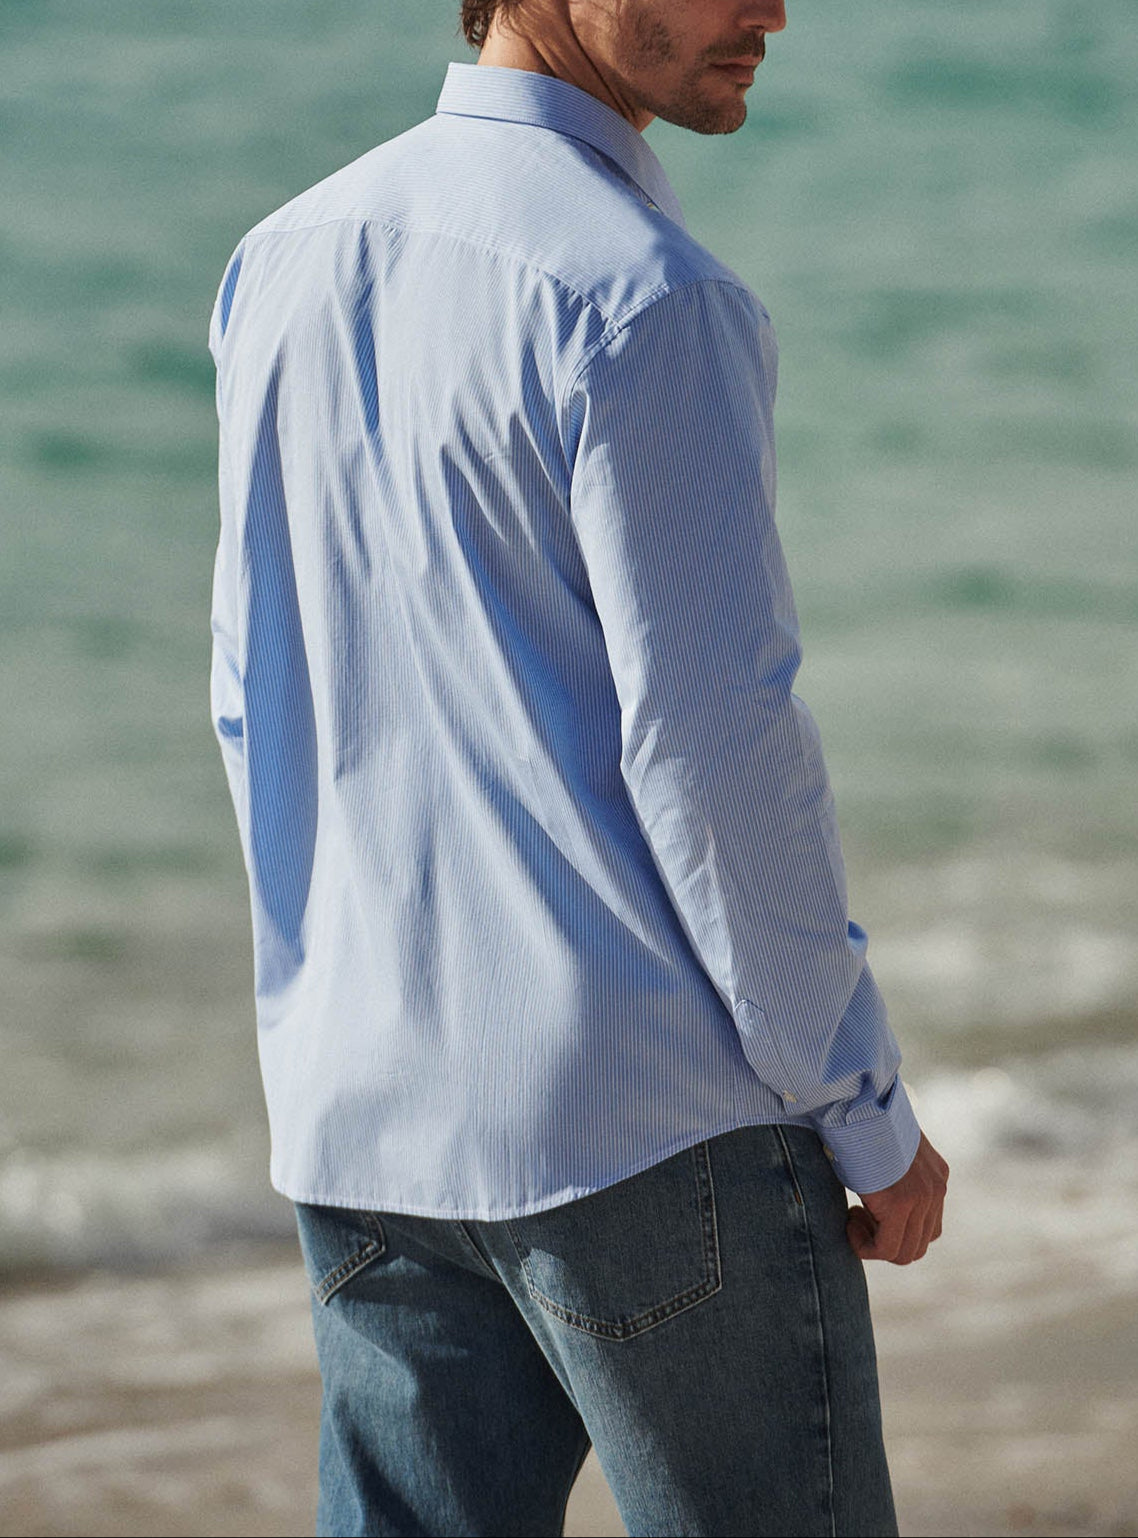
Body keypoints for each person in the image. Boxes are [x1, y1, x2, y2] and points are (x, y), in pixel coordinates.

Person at [208, 1, 949, 1533]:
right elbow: (718, 757)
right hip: (643, 1126)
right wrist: (861, 1106)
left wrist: (320, 1019)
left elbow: (246, 695)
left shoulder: (280, 256)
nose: (769, 8)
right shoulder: (644, 296)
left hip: (362, 1108)